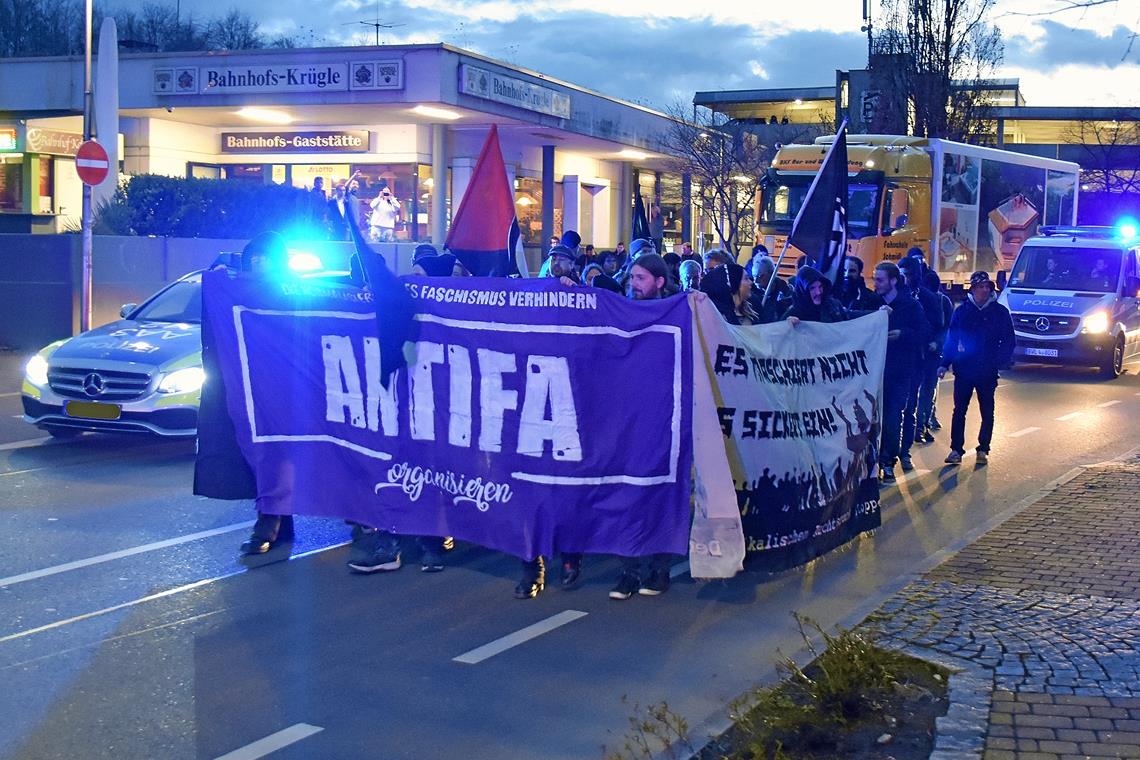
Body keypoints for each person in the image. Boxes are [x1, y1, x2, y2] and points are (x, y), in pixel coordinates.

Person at [610, 252, 680, 599]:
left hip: (664, 422)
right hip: (627, 422)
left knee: (658, 496)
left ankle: (659, 570)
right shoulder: (620, 311)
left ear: (659, 282)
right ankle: (628, 573)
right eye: (631, 278)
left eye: (640, 278)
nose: (633, 285)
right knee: (627, 497)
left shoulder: (678, 313)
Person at [938, 271, 1015, 466]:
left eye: (987, 287)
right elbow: (952, 339)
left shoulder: (999, 312)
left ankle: (983, 448)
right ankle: (956, 449)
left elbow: (1008, 340)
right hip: (964, 369)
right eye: (980, 287)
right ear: (972, 289)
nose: (984, 290)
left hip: (987, 370)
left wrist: (999, 361)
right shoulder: (962, 311)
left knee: (987, 409)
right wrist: (944, 363)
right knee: (959, 410)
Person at [871, 261, 930, 483]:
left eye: (880, 280)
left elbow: (924, 332)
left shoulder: (910, 306)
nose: (875, 284)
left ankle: (888, 462)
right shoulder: (872, 302)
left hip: (900, 371)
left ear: (893, 281)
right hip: (874, 371)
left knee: (893, 416)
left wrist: (902, 334)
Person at [897, 256, 944, 468]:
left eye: (908, 275)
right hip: (895, 360)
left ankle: (905, 451)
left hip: (919, 359)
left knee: (911, 406)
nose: (905, 279)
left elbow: (937, 327)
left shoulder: (928, 299)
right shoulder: (893, 297)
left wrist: (932, 343)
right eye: (901, 275)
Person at [783, 265, 848, 324]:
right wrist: (786, 324)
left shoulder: (834, 306)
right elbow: (778, 332)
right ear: (803, 291)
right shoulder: (793, 313)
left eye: (820, 286)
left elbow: (846, 326)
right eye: (812, 288)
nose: (818, 292)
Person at [749, 254, 792, 321]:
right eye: (754, 276)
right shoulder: (751, 293)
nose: (756, 281)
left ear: (772, 274)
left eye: (760, 276)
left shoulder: (784, 290)